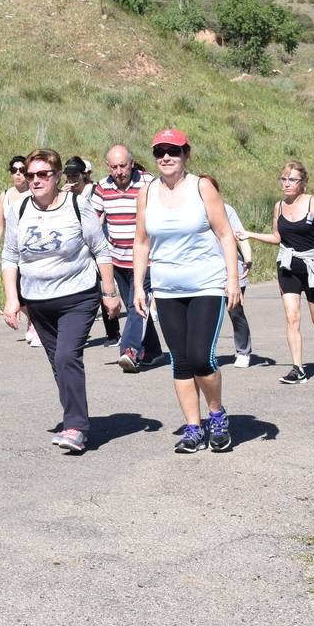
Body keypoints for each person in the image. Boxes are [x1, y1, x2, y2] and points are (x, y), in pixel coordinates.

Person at [1, 149, 121, 454]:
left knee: (67, 356)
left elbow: (101, 250)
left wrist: (109, 293)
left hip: (77, 296)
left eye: (43, 174)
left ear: (56, 177)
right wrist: (12, 299)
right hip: (37, 300)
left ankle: (77, 427)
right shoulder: (19, 209)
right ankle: (73, 418)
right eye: (31, 175)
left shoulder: (78, 206)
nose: (36, 180)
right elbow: (10, 256)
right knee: (58, 363)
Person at [132, 129, 241, 454]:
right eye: (160, 151)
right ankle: (193, 428)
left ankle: (217, 415)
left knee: (200, 356)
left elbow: (225, 234)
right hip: (166, 289)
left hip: (206, 284)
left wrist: (232, 278)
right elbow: (141, 241)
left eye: (173, 151)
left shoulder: (201, 186)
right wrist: (139, 286)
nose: (166, 157)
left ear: (186, 154)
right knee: (179, 361)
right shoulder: (147, 192)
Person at [237, 161, 314, 383]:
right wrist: (250, 234)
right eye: (283, 179)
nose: (286, 183)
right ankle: (298, 368)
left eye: (292, 179)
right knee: (292, 317)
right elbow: (277, 238)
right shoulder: (279, 206)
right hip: (288, 266)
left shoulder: (313, 202)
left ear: (303, 182)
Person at [90, 145, 164, 372]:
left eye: (123, 165)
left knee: (135, 304)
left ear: (132, 163)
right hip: (118, 260)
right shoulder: (103, 187)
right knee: (136, 306)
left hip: (146, 260)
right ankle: (153, 351)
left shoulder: (149, 183)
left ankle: (129, 350)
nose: (119, 171)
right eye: (114, 167)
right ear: (108, 167)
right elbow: (93, 221)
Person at [66, 155, 120, 346]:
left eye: (75, 176)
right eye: (68, 176)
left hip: (98, 246)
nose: (71, 180)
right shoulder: (66, 195)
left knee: (103, 289)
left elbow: (100, 218)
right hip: (78, 249)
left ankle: (113, 334)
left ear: (84, 175)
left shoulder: (95, 191)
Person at [202, 176, 255, 369]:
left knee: (235, 312)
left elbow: (240, 236)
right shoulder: (193, 212)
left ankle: (243, 351)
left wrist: (248, 259)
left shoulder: (227, 210)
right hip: (206, 272)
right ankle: (205, 352)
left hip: (232, 269)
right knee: (205, 314)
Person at [0, 156, 37, 346]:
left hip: (32, 251)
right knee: (16, 292)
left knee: (31, 291)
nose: (18, 174)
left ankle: (37, 325)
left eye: (22, 170)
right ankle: (34, 321)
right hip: (13, 252)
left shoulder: (35, 193)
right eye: (14, 170)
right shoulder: (5, 195)